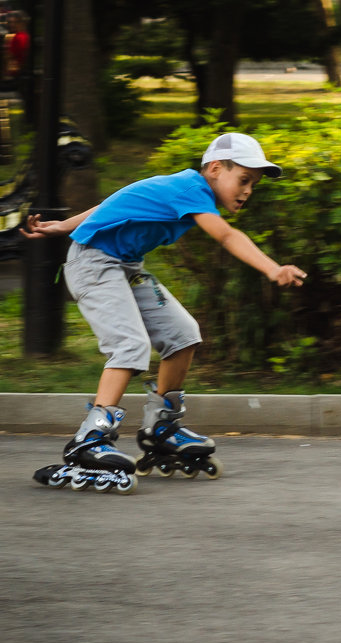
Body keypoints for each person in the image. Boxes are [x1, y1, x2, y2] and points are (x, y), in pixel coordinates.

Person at [23, 132, 306, 489]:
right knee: (130, 346)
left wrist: (64, 224)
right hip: (92, 263)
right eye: (244, 180)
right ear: (216, 168)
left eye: (254, 184)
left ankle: (161, 427)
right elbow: (227, 236)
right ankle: (89, 439)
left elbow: (116, 202)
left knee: (183, 335)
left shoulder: (184, 190)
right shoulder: (191, 190)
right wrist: (272, 268)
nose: (248, 190)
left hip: (126, 266)